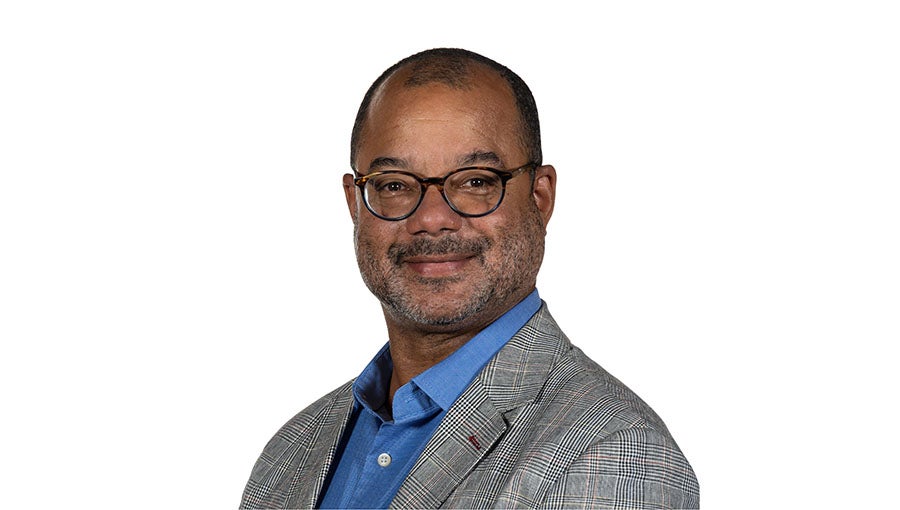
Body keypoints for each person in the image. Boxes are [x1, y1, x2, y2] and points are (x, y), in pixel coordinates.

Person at [241, 48, 699, 509]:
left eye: (477, 181)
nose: (432, 219)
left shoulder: (611, 453)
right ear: (355, 203)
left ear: (540, 197)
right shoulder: (292, 451)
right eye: (394, 184)